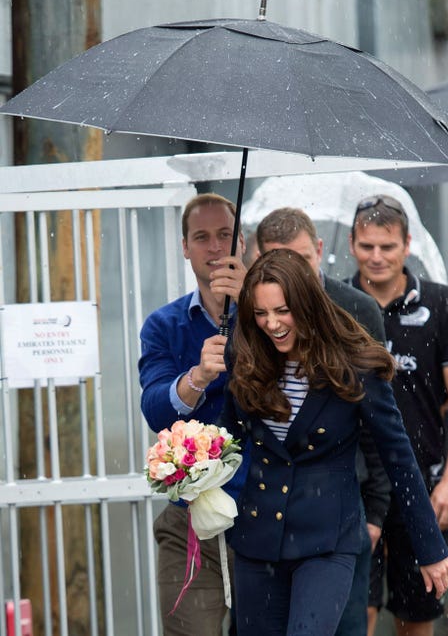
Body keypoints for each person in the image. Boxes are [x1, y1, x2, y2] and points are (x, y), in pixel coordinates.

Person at [218, 248, 448, 636]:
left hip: (327, 542)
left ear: (307, 304)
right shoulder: (243, 354)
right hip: (257, 539)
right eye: (261, 313)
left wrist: (430, 549)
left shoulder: (355, 364)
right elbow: (228, 436)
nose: (272, 324)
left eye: (282, 311)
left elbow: (399, 458)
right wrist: (189, 464)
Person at [347, 194, 448, 636]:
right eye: (367, 246)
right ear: (351, 244)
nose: (377, 257)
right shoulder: (338, 305)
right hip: (358, 485)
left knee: (417, 616)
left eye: (387, 246)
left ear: (407, 244)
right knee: (355, 613)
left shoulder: (441, 304)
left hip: (422, 484)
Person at [255, 207, 390, 636]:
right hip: (271, 514)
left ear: (318, 250)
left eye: (300, 259)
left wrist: (376, 509)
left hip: (346, 504)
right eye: (277, 262)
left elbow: (381, 421)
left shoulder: (356, 309)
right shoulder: (256, 315)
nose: (290, 273)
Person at [138, 192, 247, 636]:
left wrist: (253, 316)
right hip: (190, 519)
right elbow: (156, 409)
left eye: (225, 235)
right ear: (184, 247)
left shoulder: (276, 315)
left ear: (241, 241)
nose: (215, 247)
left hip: (266, 510)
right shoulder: (164, 325)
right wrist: (198, 375)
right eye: (202, 237)